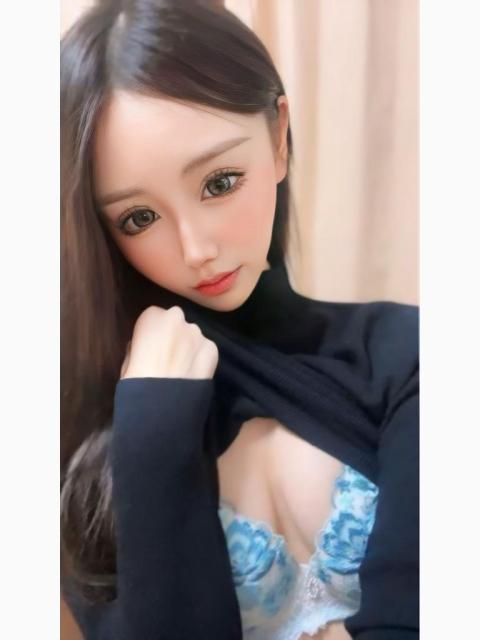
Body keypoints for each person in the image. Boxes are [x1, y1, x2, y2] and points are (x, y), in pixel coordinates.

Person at [60, 1, 419, 639]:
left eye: (220, 182)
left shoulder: (408, 354)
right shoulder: (84, 450)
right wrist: (151, 428)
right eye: (139, 218)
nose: (196, 248)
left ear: (278, 138)